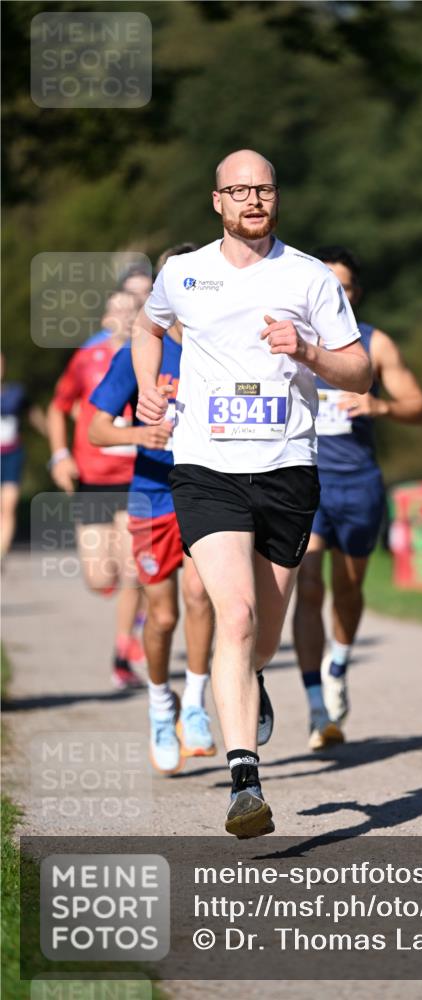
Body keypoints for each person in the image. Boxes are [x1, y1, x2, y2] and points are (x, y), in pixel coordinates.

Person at [131, 149, 371, 838]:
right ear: (217, 201)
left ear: (276, 197)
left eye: (262, 189)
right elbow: (148, 325)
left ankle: (251, 679)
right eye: (238, 191)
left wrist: (307, 352)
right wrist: (149, 382)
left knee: (261, 634)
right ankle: (245, 782)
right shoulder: (184, 272)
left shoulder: (308, 279)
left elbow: (355, 371)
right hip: (206, 468)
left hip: (288, 468)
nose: (251, 201)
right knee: (231, 615)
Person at [293, 246, 422, 747]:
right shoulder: (291, 339)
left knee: (348, 589)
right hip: (304, 482)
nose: (335, 291)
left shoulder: (375, 343)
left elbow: (419, 407)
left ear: (355, 293)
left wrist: (380, 406)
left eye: (344, 286)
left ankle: (338, 664)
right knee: (309, 587)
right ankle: (314, 707)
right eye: (327, 283)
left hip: (359, 484)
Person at [89, 243, 217, 775]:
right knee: (162, 615)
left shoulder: (223, 346)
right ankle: (161, 707)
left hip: (211, 491)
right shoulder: (141, 351)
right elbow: (96, 429)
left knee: (201, 594)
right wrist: (144, 432)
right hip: (152, 495)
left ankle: (196, 704)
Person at [47, 290, 145, 690]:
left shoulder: (149, 356)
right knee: (99, 577)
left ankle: (123, 651)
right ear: (105, 317)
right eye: (117, 309)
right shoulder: (87, 358)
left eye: (131, 309)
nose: (123, 316)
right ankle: (135, 616)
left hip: (135, 476)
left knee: (133, 572)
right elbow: (59, 405)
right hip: (92, 478)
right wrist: (59, 456)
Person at [0, 353, 47, 558]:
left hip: (11, 456)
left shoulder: (16, 393)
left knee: (8, 505)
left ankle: (1, 553)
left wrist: (53, 434)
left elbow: (34, 415)